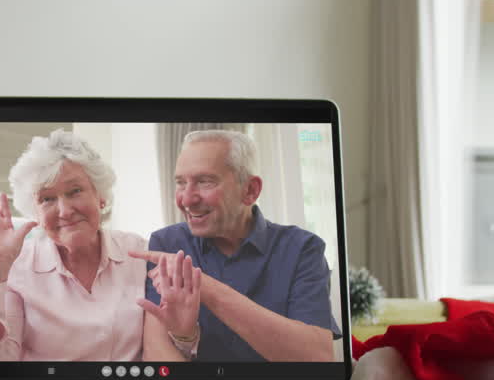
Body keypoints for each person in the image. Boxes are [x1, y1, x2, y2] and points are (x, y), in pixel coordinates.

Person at [132, 129, 340, 362]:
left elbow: (317, 358)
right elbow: (158, 353)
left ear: (250, 190)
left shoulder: (302, 249)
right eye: (181, 183)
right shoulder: (167, 243)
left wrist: (206, 288)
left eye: (205, 182)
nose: (187, 199)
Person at [0, 129, 148, 361]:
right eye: (47, 199)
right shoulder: (18, 266)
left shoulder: (139, 253)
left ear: (100, 196)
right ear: (35, 212)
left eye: (75, 191)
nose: (64, 211)